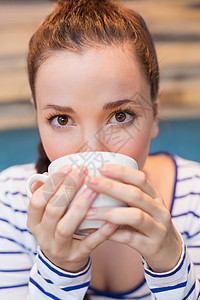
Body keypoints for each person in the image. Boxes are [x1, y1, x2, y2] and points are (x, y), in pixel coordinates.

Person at [0, 0, 200, 299]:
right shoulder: (11, 205)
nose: (91, 149)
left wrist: (171, 267)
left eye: (120, 116)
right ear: (38, 117)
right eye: (62, 119)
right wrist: (59, 268)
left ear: (155, 114)